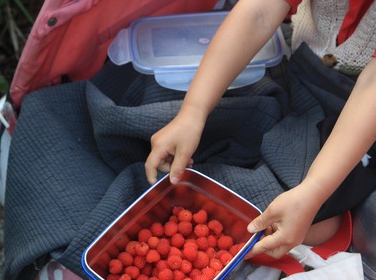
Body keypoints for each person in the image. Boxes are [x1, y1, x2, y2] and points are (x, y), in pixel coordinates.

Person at [144, 0, 376, 259]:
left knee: (294, 208)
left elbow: (371, 87)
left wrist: (314, 189)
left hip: (362, 117)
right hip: (300, 66)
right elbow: (258, 11)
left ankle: (323, 212)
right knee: (165, 107)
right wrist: (193, 111)